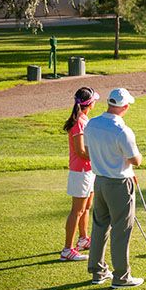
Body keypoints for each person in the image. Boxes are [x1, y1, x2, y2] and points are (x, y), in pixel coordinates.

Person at [84, 87, 144, 288]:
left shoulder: (92, 124)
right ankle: (121, 277)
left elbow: (89, 150)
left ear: (110, 103)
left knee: (100, 226)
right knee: (121, 229)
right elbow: (135, 160)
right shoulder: (123, 131)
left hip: (99, 181)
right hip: (119, 184)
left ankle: (98, 272)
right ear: (125, 106)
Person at [60, 87, 99, 262]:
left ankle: (83, 239)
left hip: (88, 170)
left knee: (86, 207)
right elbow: (81, 151)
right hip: (80, 171)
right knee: (77, 210)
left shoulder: (84, 119)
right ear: (89, 103)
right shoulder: (78, 123)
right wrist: (100, 156)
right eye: (94, 100)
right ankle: (67, 250)